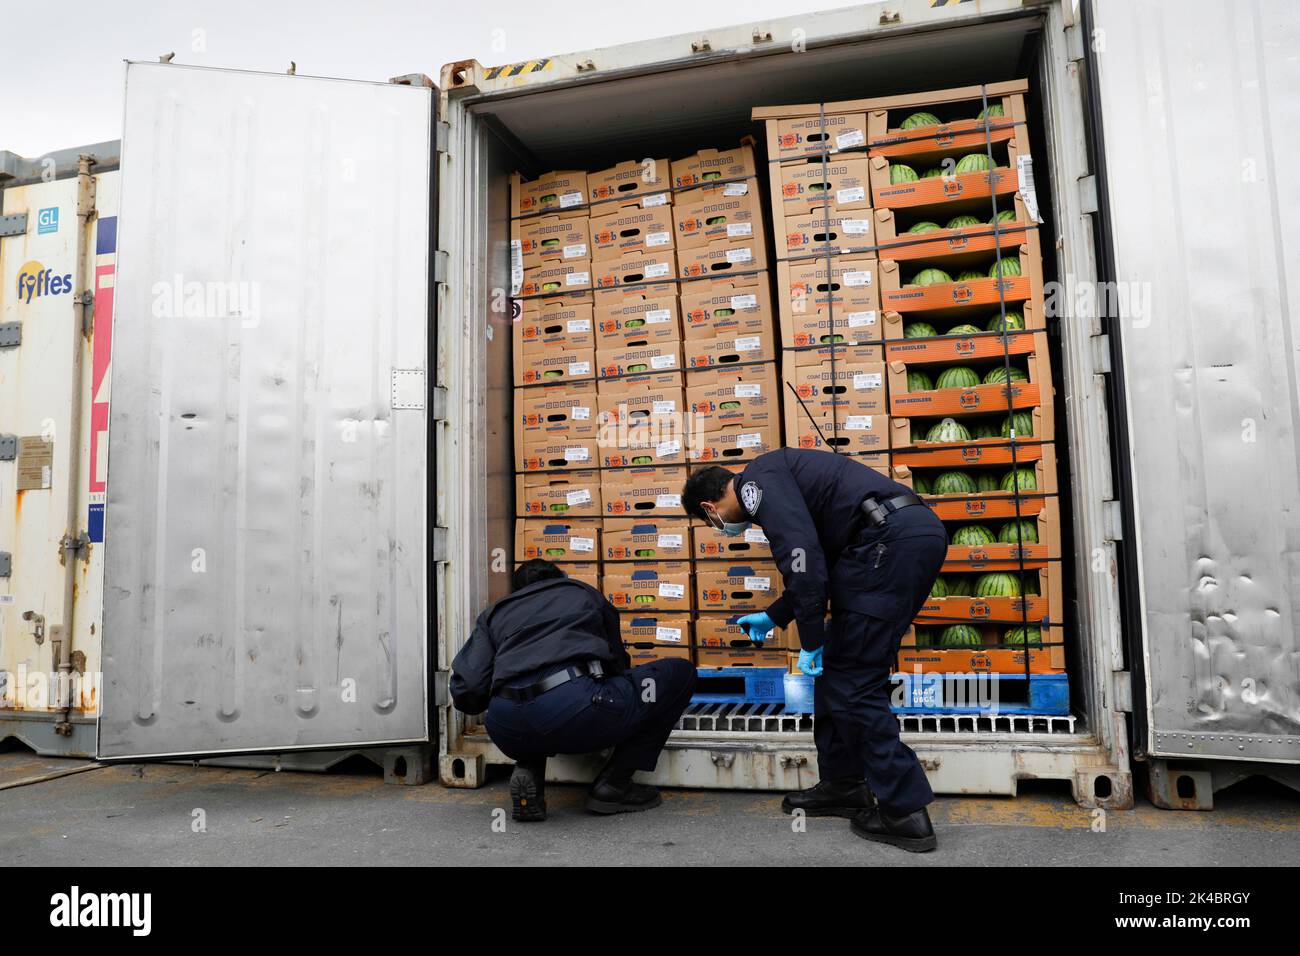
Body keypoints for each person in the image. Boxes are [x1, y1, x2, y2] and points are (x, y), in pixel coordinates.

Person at [682, 449, 947, 852]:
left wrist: (810, 641)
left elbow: (800, 556)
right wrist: (775, 615)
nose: (720, 527)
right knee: (839, 672)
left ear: (710, 506)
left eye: (711, 522)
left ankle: (904, 812)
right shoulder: (775, 476)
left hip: (887, 542)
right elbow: (818, 563)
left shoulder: (755, 485)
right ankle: (844, 784)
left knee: (854, 684)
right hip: (893, 538)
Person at [450, 558, 697, 822]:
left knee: (532, 710)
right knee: (680, 673)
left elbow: (469, 688)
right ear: (561, 578)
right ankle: (614, 784)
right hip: (577, 709)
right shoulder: (583, 593)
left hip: (506, 725)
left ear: (518, 590)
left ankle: (529, 768)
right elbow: (616, 662)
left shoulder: (494, 614)